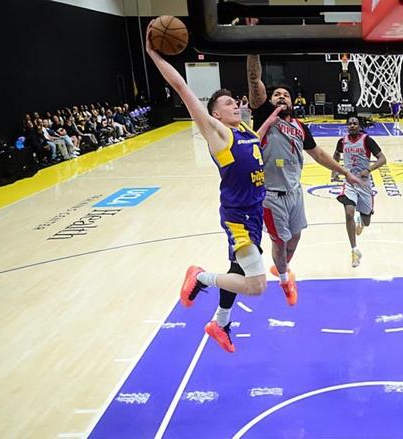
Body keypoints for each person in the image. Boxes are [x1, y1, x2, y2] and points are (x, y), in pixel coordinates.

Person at [145, 22, 282, 353]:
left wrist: (272, 117)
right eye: (228, 103)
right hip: (239, 218)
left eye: (235, 102)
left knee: (236, 270)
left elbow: (255, 140)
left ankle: (220, 323)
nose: (236, 104)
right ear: (215, 114)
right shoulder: (218, 133)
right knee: (257, 286)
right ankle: (200, 276)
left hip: (253, 214)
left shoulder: (245, 130)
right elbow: (181, 86)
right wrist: (154, 54)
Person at [247, 53, 363, 304]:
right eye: (276, 94)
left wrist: (345, 172)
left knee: (295, 237)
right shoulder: (265, 115)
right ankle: (284, 280)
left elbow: (318, 154)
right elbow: (254, 80)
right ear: (269, 99)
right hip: (271, 194)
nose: (281, 97)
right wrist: (253, 49)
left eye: (285, 95)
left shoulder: (300, 127)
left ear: (293, 101)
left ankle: (281, 267)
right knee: (280, 241)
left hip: (295, 192)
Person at [332, 117, 386, 267]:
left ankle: (361, 221)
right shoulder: (342, 141)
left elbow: (382, 159)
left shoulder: (367, 140)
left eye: (355, 123)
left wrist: (369, 169)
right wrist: (334, 170)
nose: (352, 125)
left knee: (367, 221)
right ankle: (354, 250)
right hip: (349, 182)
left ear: (359, 126)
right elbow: (336, 155)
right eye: (349, 123)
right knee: (349, 212)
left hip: (364, 183)